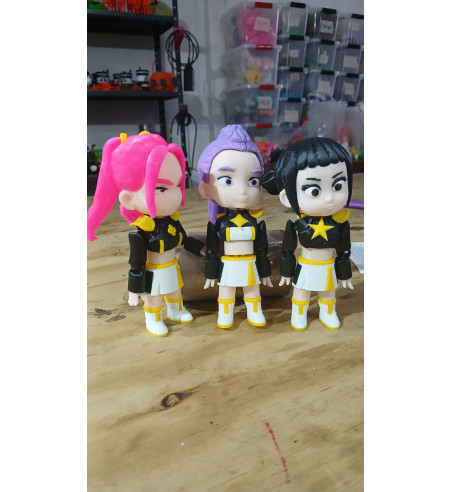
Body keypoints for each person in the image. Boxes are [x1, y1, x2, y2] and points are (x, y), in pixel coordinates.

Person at [87, 132, 203, 337]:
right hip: (153, 271)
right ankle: (153, 318)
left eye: (177, 185)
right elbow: (136, 263)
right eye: (161, 188)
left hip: (172, 267)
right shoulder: (142, 232)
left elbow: (184, 240)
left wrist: (202, 249)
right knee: (154, 296)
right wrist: (134, 288)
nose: (176, 195)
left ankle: (175, 310)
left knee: (175, 291)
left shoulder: (173, 222)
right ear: (128, 199)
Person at [261, 137, 354, 330]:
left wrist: (344, 274)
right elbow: (287, 249)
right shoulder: (298, 224)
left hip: (328, 266)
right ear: (286, 197)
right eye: (314, 190)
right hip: (305, 265)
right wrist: (287, 271)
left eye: (338, 186)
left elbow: (343, 251)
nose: (329, 198)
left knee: (328, 292)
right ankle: (298, 313)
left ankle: (328, 312)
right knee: (301, 291)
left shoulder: (340, 225)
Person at [197, 125, 273, 329]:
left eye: (253, 180)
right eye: (227, 180)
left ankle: (254, 311)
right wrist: (211, 273)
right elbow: (212, 250)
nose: (243, 191)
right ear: (206, 188)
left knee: (252, 288)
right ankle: (225, 313)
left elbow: (262, 249)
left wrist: (265, 271)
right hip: (228, 263)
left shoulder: (256, 222)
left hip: (250, 262)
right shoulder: (218, 224)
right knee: (226, 289)